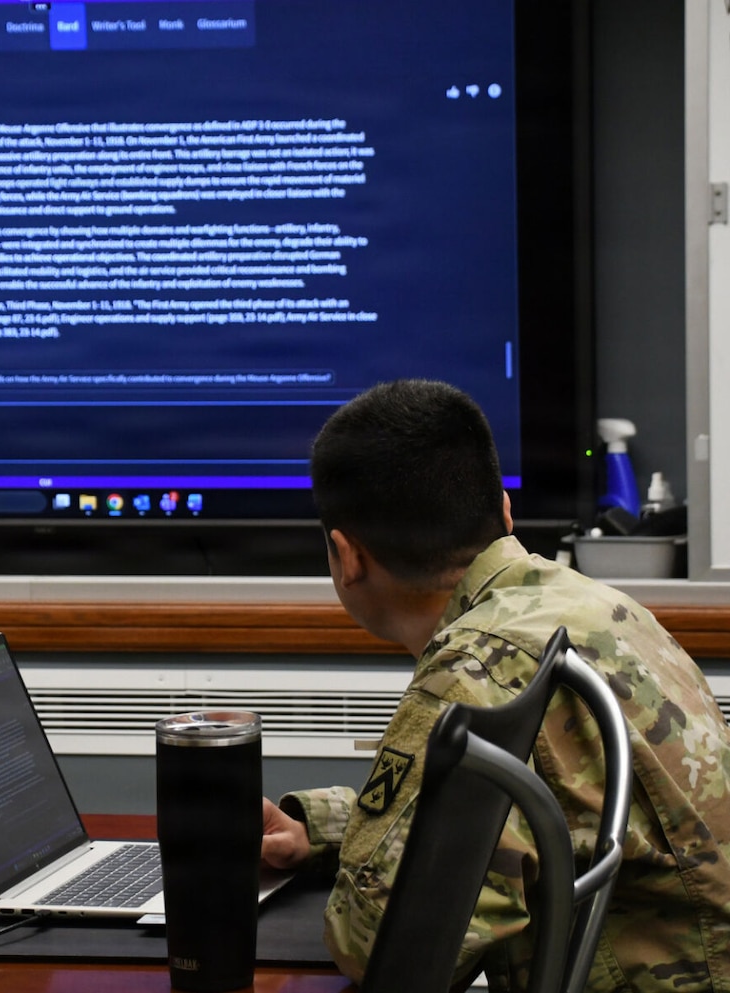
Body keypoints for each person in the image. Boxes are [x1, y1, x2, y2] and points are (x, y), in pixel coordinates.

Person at [261, 379, 730, 992]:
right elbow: (525, 815)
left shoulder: (474, 671)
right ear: (504, 513)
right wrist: (320, 828)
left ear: (347, 557)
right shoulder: (596, 606)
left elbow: (386, 953)